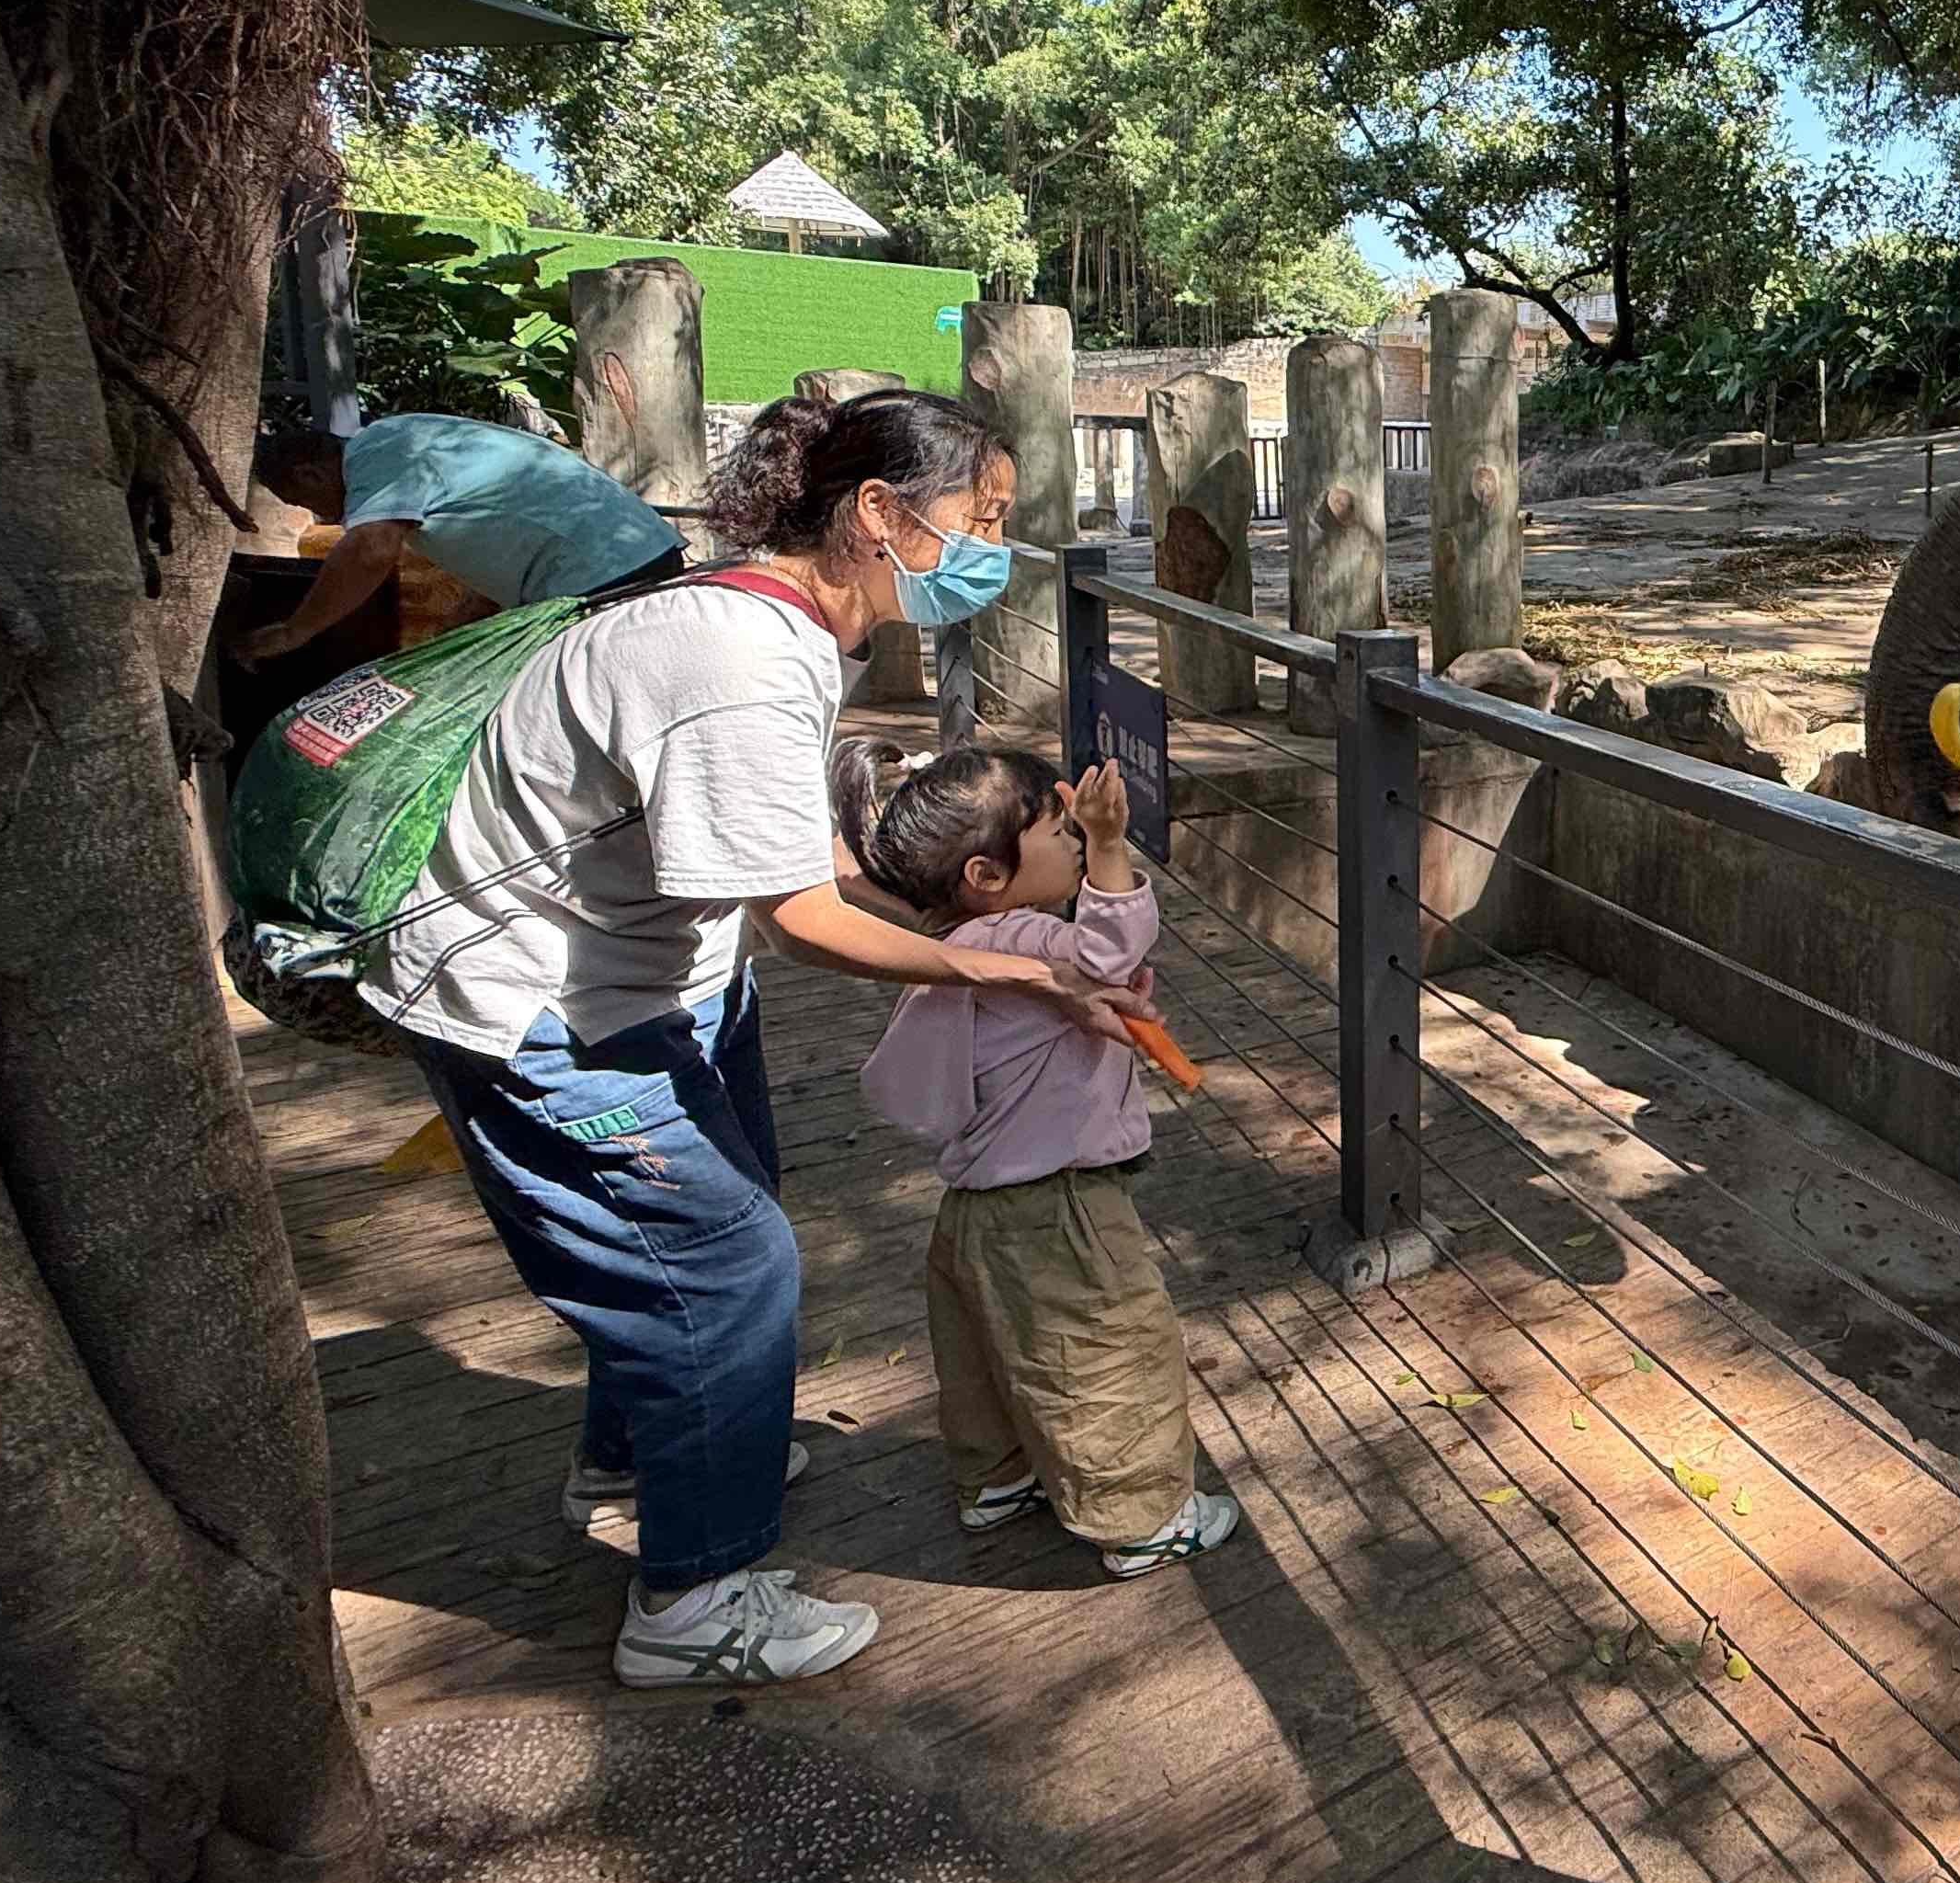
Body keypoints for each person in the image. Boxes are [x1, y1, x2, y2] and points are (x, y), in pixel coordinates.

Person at [377, 387, 1137, 1688]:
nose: (988, 551)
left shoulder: (771, 625)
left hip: (649, 977)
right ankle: (692, 1599)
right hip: (538, 1003)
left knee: (707, 1247)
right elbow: (798, 921)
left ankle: (643, 1452)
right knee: (732, 1273)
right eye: (980, 519)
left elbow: (794, 854)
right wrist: (995, 973)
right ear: (878, 513)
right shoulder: (737, 658)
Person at [837, 739, 1240, 1579]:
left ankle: (998, 1478)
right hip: (1058, 1203)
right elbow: (1111, 951)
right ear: (986, 875)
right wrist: (1110, 846)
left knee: (988, 1348)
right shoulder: (1021, 939)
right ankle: (1142, 1520)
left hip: (979, 1205)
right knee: (1104, 1353)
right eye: (1060, 835)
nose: (1073, 846)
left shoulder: (957, 944)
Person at [239, 415, 686, 662]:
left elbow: (370, 551)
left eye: (296, 497)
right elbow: (492, 515)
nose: (311, 512)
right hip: (636, 556)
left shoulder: (376, 456)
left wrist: (294, 631)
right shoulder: (405, 440)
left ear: (309, 472)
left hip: (606, 576)